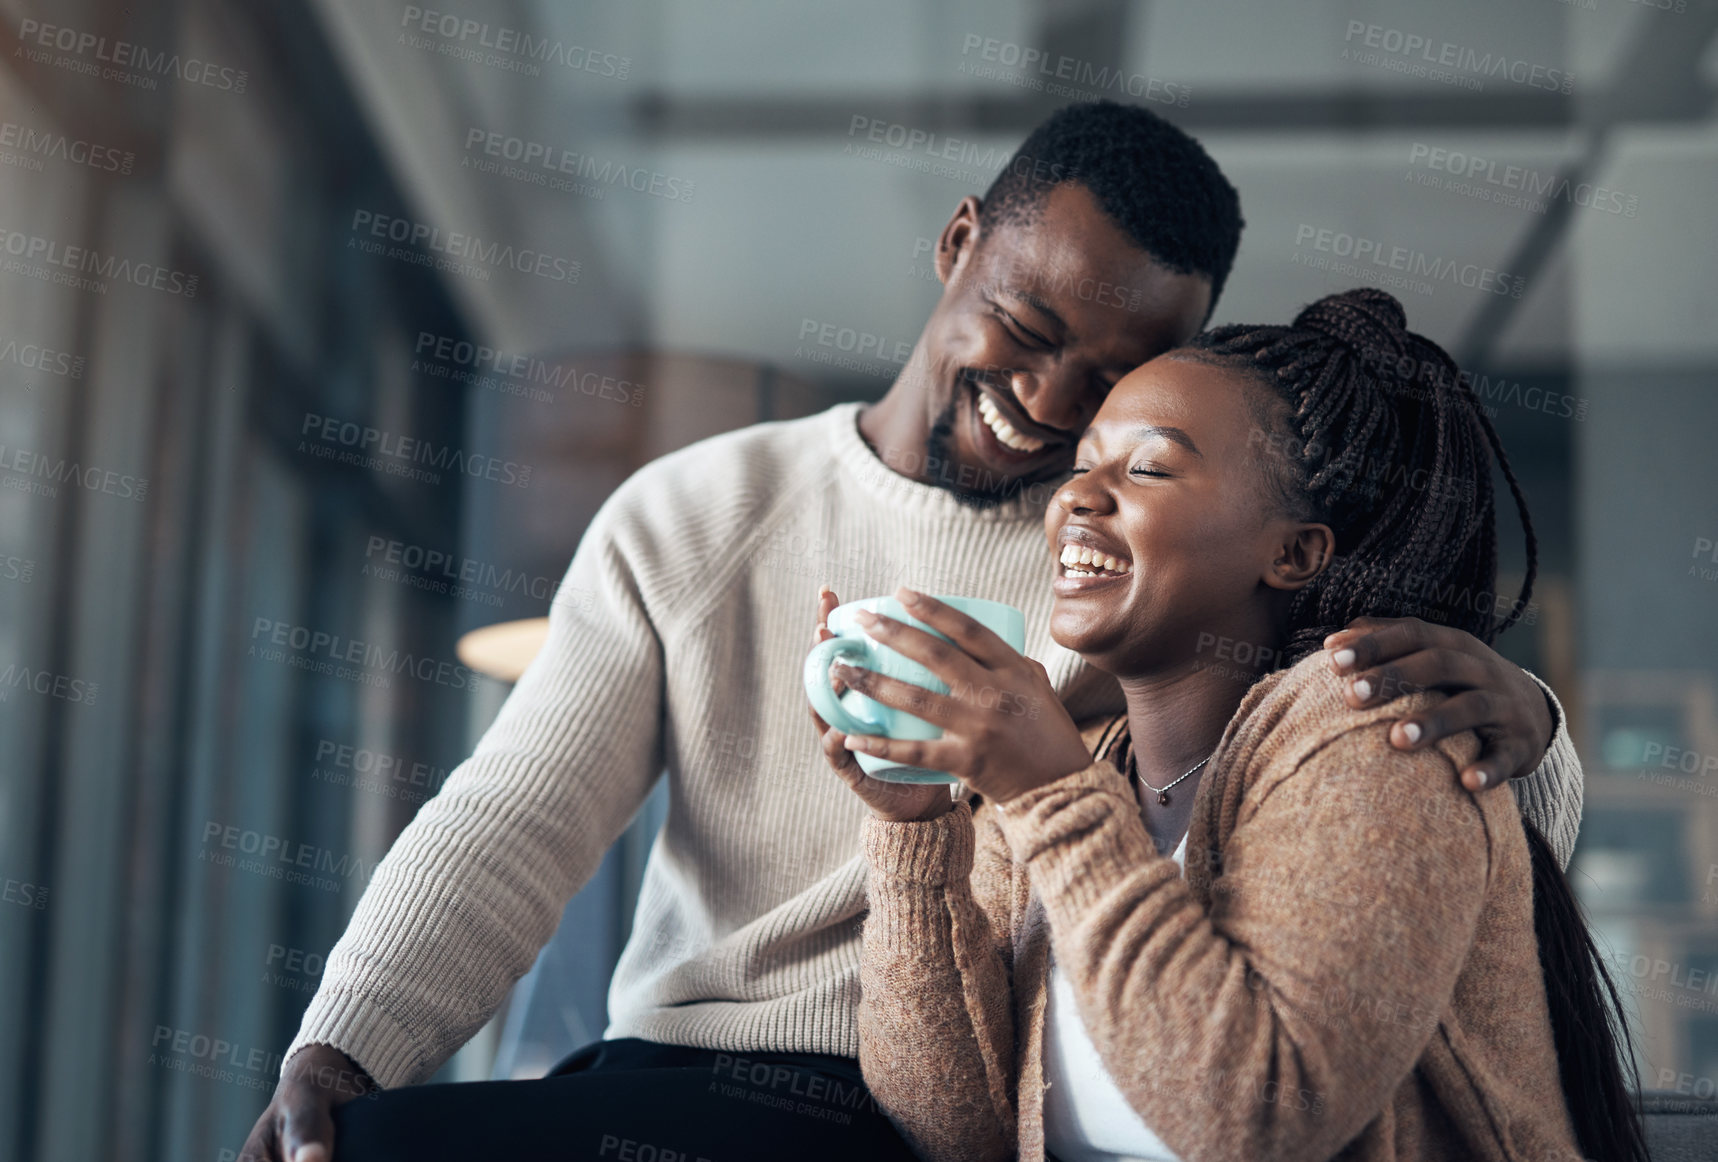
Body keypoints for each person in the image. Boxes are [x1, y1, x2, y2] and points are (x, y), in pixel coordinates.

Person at [241, 104, 1584, 1162]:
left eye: (1113, 385)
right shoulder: (702, 512)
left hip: (930, 1098)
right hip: (669, 1064)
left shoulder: (1131, 581)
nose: (1050, 409)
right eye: (1022, 325)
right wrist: (344, 1044)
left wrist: (1532, 731)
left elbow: (1356, 815)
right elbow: (514, 814)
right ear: (955, 247)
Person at [820, 289, 1643, 1162]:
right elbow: (954, 1124)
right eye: (1083, 464)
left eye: (1147, 469)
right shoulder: (1086, 762)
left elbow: (1257, 1115)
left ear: (1292, 553)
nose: (1076, 500)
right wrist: (915, 831)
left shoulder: (1369, 733)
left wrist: (1047, 790)